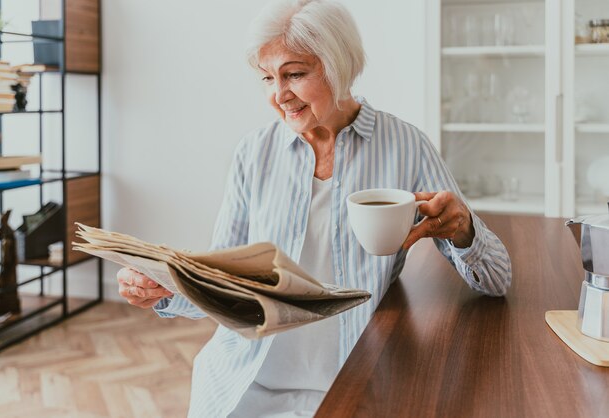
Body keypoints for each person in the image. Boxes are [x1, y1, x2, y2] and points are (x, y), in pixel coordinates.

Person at [117, 1, 512, 417]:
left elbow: (498, 280)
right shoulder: (255, 153)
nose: (278, 95)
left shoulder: (405, 146)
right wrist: (164, 286)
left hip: (354, 383)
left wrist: (464, 230)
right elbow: (222, 280)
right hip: (247, 381)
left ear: (339, 65)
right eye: (267, 78)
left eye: (295, 74)